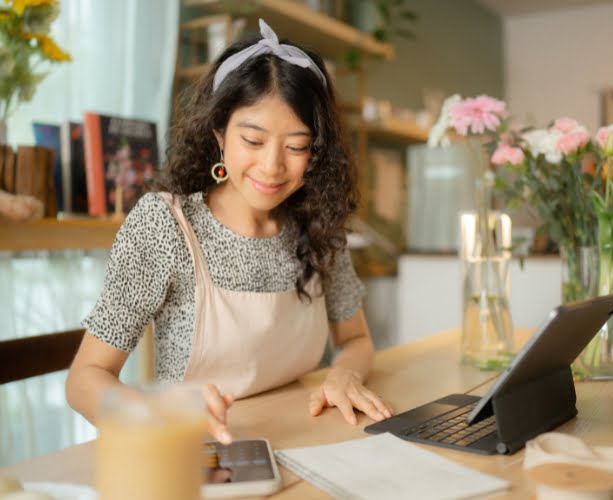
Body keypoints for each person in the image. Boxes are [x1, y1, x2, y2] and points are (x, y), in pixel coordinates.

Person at [66, 19, 393, 444]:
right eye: (253, 141)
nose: (272, 166)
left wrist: (345, 375)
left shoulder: (318, 224)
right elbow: (84, 379)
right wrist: (154, 414)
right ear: (219, 132)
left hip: (306, 441)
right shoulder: (165, 225)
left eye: (296, 146)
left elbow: (356, 339)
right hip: (195, 455)